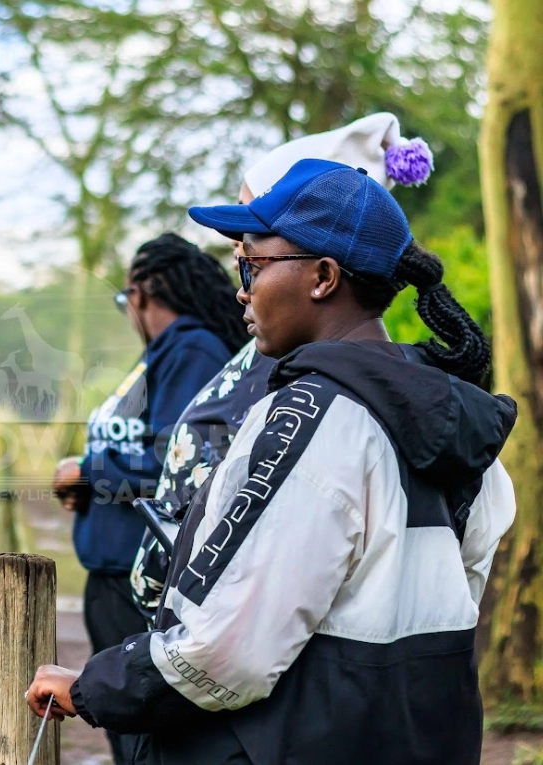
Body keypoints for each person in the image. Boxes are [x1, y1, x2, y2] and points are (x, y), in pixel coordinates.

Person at [29, 159, 516, 765]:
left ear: (322, 277)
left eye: (252, 265)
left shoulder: (311, 416)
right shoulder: (459, 423)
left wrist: (93, 685)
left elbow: (227, 650)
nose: (241, 289)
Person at [131, 113, 436, 622]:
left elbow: (262, 615)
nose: (240, 276)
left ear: (322, 276)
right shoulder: (287, 358)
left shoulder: (310, 404)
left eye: (252, 255)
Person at [52, 231, 249, 765]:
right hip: (114, 571)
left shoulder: (191, 349)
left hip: (139, 577)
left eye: (124, 301)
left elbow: (178, 462)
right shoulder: (165, 353)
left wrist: (88, 471)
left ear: (140, 294)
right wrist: (92, 485)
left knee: (140, 736)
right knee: (126, 734)